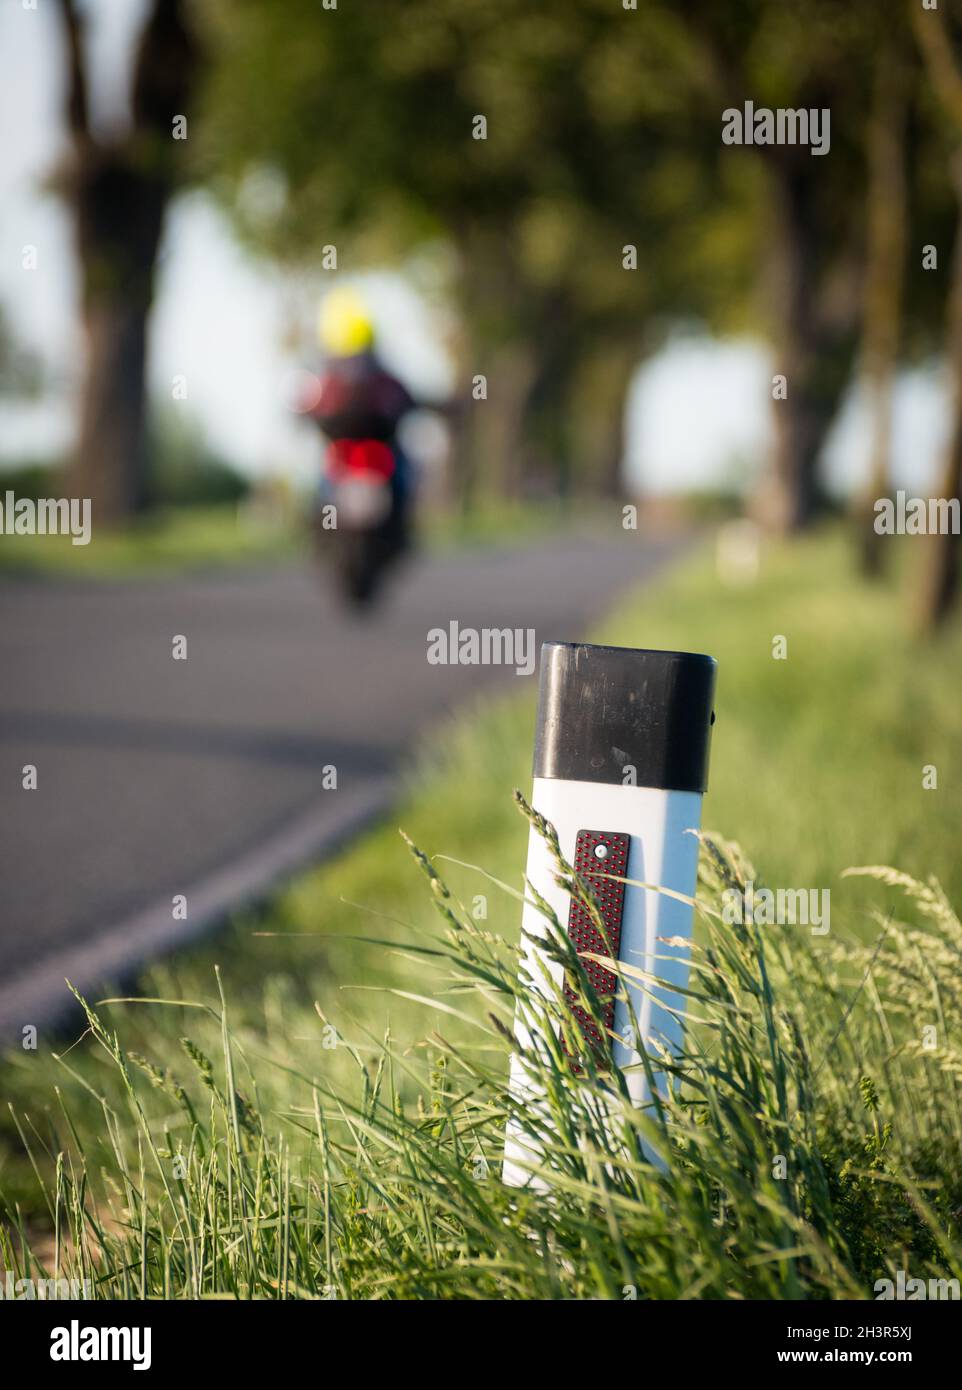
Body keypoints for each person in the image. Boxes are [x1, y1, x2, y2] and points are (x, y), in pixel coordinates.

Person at [304, 287, 415, 511]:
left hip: (379, 450)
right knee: (322, 482)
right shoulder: (324, 381)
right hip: (341, 452)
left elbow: (405, 398)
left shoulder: (382, 380)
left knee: (402, 473)